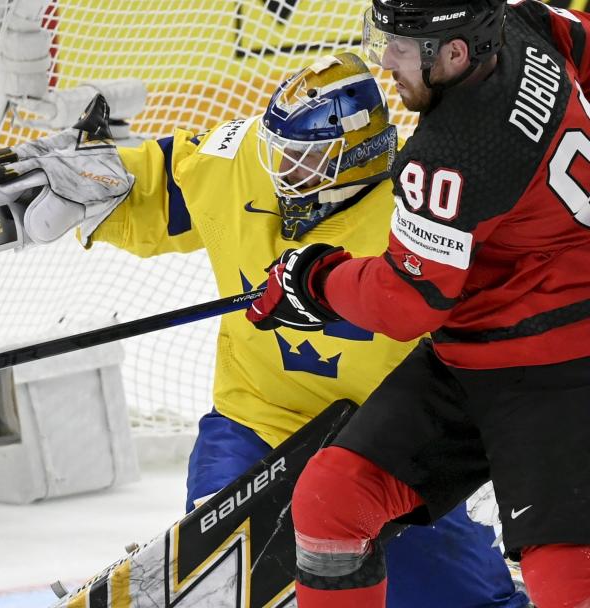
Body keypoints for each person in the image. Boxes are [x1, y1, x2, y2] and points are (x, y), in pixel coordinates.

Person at [0, 52, 527, 606]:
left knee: (466, 598)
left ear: (357, 158)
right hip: (257, 422)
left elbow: (497, 341)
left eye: (303, 160)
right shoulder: (244, 165)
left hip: (391, 447)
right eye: (276, 150)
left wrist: (489, 454)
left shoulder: (422, 215)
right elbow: (164, 182)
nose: (281, 171)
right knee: (215, 576)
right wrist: (103, 173)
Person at [242, 1, 590, 606]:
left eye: (401, 46)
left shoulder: (453, 153)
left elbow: (407, 305)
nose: (385, 60)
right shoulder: (522, 21)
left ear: (454, 53)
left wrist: (316, 279)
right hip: (473, 353)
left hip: (564, 366)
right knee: (333, 497)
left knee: (566, 575)